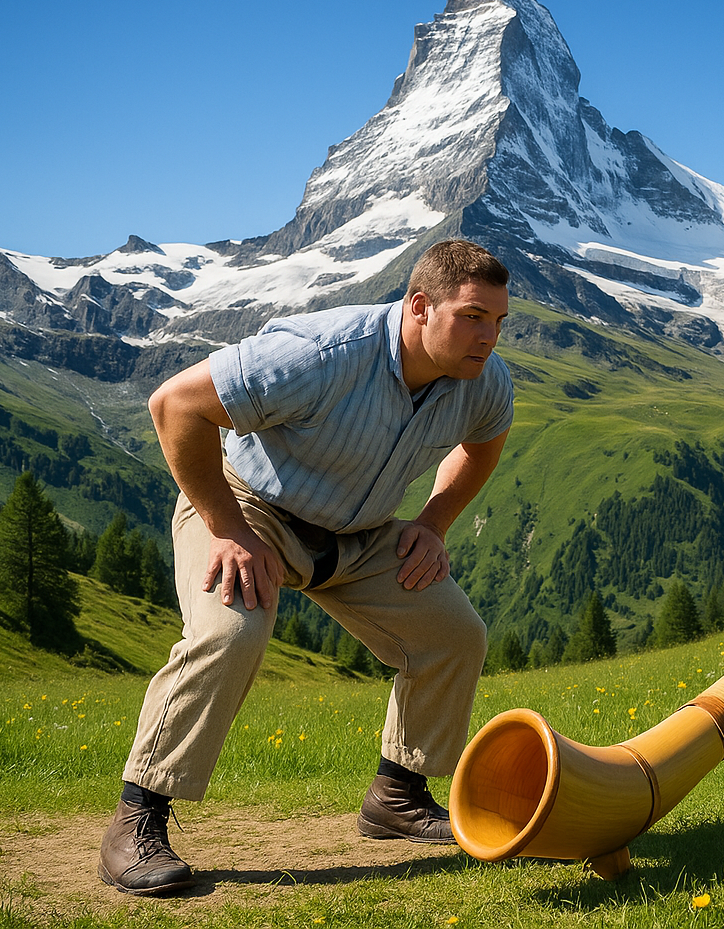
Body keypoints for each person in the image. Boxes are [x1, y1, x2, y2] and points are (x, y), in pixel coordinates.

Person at [99, 239, 514, 894]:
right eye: (471, 317)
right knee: (227, 635)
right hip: (248, 510)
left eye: (498, 321)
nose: (488, 336)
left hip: (362, 532)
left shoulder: (481, 380)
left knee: (453, 634)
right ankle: (138, 817)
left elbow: (484, 444)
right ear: (419, 306)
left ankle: (398, 798)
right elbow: (175, 404)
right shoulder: (322, 354)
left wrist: (433, 523)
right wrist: (228, 530)